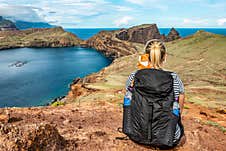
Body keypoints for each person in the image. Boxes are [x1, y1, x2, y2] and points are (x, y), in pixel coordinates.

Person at [124, 39, 185, 146]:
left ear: (146, 56)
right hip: (168, 138)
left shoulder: (134, 76)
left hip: (136, 135)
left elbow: (130, 102)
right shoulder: (174, 78)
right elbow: (178, 110)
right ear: (165, 57)